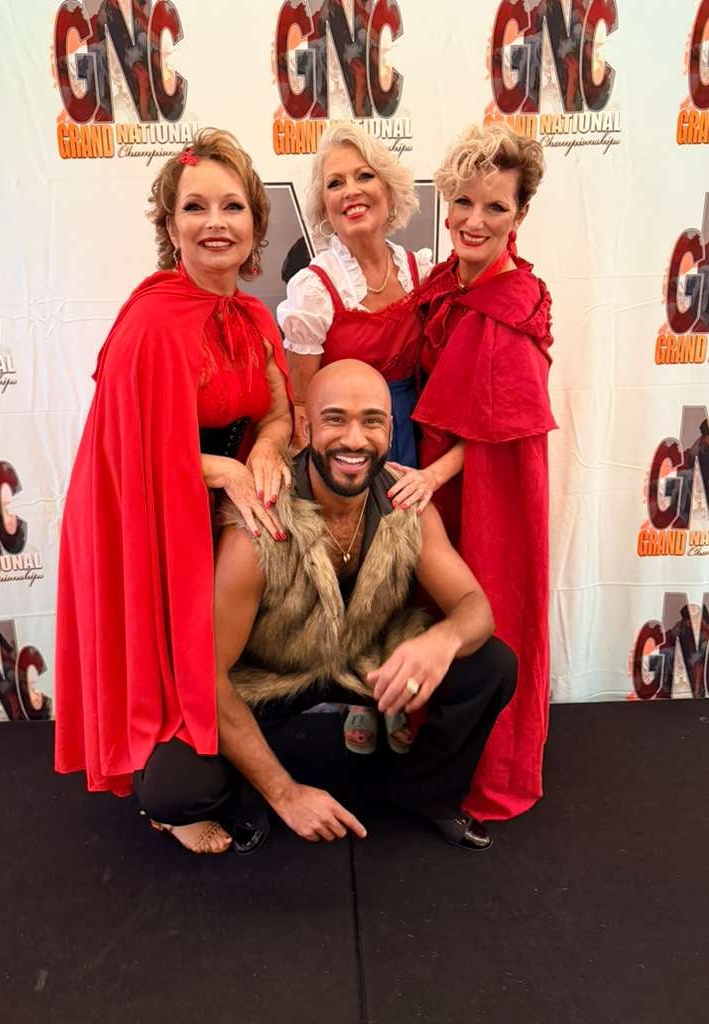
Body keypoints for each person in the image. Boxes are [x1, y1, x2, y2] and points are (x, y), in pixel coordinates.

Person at [133, 360, 518, 854]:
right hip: (269, 672)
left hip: (364, 657)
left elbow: (475, 608)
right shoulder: (259, 523)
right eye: (335, 419)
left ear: (390, 429)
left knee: (491, 664)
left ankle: (426, 793)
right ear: (306, 427)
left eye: (372, 421)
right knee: (172, 789)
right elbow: (208, 675)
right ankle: (252, 795)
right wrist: (286, 793)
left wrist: (440, 642)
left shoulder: (405, 501)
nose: (354, 439)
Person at [55, 129, 293, 853]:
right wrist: (221, 469)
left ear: (255, 222)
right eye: (196, 207)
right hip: (148, 519)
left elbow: (279, 409)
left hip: (219, 516)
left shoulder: (253, 317)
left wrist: (270, 446)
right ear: (171, 226)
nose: (215, 222)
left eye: (231, 206)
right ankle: (167, 796)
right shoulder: (152, 322)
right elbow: (125, 460)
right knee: (168, 680)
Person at [408, 123, 557, 822]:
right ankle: (429, 759)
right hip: (439, 486)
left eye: (495, 208)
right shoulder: (449, 282)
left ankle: (486, 776)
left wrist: (432, 479)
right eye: (463, 202)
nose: (473, 220)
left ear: (520, 215)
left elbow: (498, 436)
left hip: (488, 496)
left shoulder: (509, 306)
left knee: (490, 615)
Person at [277, 123, 435, 754]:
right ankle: (361, 694)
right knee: (353, 568)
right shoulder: (315, 287)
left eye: (362, 175)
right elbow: (300, 399)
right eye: (334, 183)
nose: (350, 191)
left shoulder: (419, 266)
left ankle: (402, 682)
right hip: (348, 440)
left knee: (404, 565)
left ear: (389, 190)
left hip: (407, 428)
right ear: (324, 207)